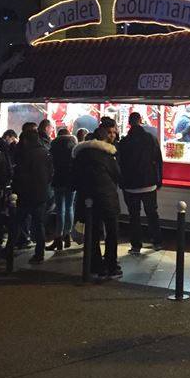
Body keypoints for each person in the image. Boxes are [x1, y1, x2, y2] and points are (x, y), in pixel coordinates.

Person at [74, 118, 122, 279]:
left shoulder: (80, 153)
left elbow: (74, 177)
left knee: (93, 233)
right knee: (111, 233)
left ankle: (94, 265)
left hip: (87, 200)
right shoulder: (107, 154)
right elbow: (117, 175)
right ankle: (111, 265)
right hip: (107, 198)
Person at [118, 111, 164, 254]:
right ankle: (157, 242)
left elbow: (120, 164)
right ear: (140, 120)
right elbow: (158, 160)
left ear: (129, 123)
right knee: (152, 214)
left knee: (134, 216)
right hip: (149, 182)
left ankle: (136, 245)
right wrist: (159, 180)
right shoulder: (150, 139)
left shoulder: (124, 142)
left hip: (130, 185)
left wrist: (122, 183)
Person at [12, 127, 53, 263]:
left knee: (17, 222)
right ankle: (39, 253)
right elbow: (50, 173)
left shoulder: (25, 154)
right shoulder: (45, 153)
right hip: (41, 193)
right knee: (38, 224)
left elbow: (19, 175)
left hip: (26, 193)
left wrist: (15, 190)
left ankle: (9, 250)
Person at [48, 127, 77, 252]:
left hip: (58, 179)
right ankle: (67, 234)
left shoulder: (54, 147)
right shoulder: (74, 147)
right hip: (71, 180)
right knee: (70, 207)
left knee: (60, 209)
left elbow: (50, 165)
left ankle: (58, 237)